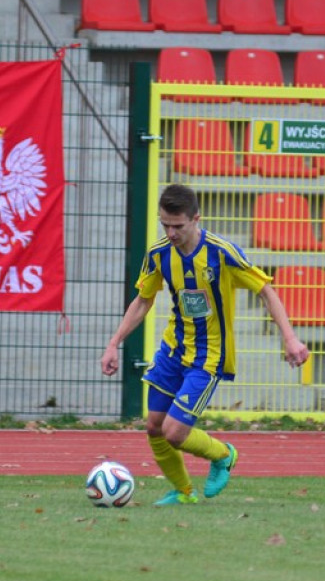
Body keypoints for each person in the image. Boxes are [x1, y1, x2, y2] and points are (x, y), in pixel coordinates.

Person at [101, 184, 309, 506]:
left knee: (174, 432)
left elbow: (266, 290)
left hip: (209, 356)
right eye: (164, 224)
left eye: (177, 226)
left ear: (196, 218)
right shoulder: (159, 255)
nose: (170, 233)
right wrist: (114, 343)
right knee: (154, 426)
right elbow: (143, 300)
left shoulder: (221, 252)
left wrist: (290, 337)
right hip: (173, 350)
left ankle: (224, 454)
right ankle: (184, 493)